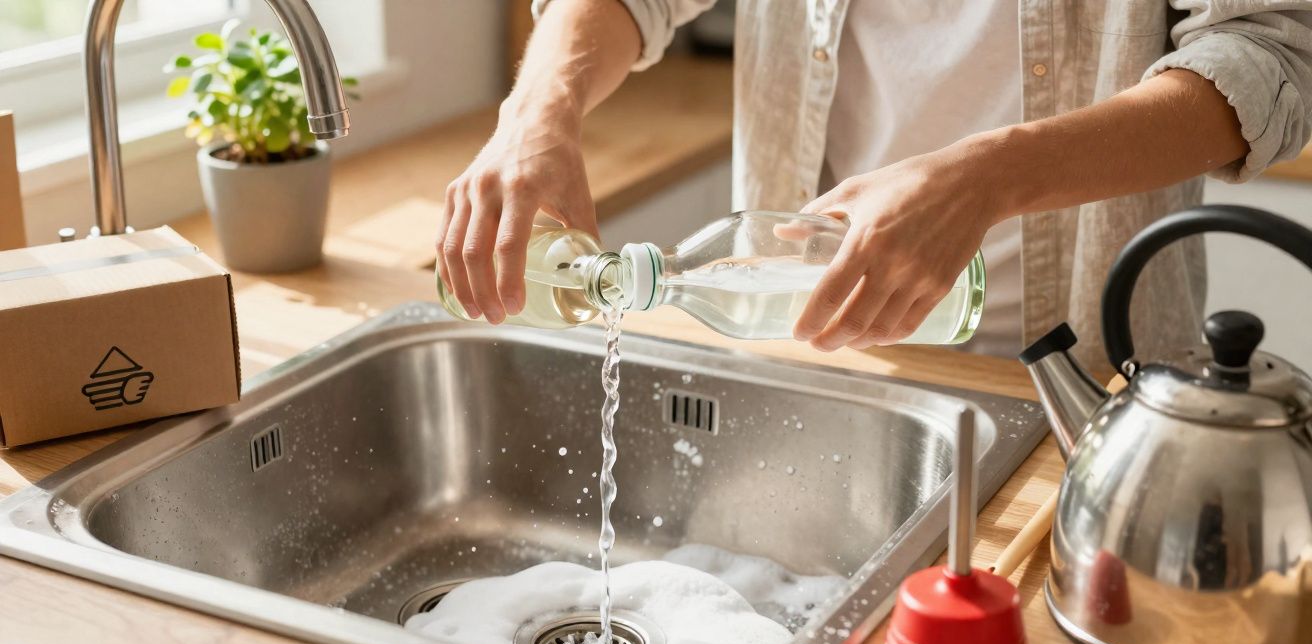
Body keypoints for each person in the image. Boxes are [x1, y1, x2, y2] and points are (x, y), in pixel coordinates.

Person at [437, 1, 1312, 363]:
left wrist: (986, 177)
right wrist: (535, 113)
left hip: (1079, 382)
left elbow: (1267, 56)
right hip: (821, 359)